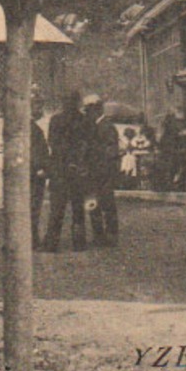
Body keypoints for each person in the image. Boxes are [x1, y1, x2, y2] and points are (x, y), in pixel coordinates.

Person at [41, 90, 89, 252]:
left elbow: (52, 143)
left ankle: (51, 243)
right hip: (77, 170)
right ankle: (79, 242)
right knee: (77, 208)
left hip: (60, 170)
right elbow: (87, 144)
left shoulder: (56, 120)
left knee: (57, 208)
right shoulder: (84, 120)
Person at [83, 94, 121, 248]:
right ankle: (98, 235)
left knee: (108, 204)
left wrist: (102, 166)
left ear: (96, 109)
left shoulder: (107, 126)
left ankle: (111, 235)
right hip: (92, 173)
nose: (87, 114)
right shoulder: (91, 126)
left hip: (104, 173)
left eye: (89, 110)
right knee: (93, 204)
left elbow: (111, 151)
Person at [29, 86, 50, 247]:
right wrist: (40, 168)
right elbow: (35, 151)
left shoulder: (31, 127)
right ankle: (32, 239)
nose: (40, 109)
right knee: (33, 206)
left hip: (31, 172)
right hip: (35, 174)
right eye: (38, 105)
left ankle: (30, 238)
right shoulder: (32, 129)